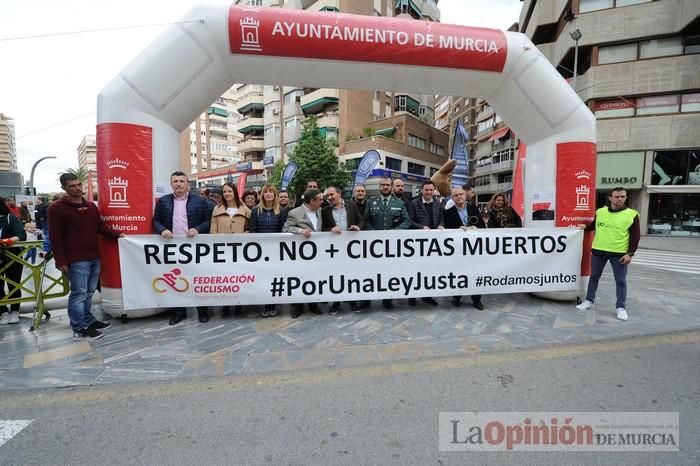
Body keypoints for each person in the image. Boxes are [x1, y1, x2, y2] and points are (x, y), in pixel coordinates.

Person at [48, 174, 121, 339]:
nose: (77, 188)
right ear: (64, 189)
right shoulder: (57, 208)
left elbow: (100, 227)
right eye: (72, 186)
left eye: (79, 184)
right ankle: (79, 327)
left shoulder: (90, 206)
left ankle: (88, 319)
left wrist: (119, 235)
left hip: (94, 256)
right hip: (75, 260)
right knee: (79, 294)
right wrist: (60, 260)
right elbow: (55, 236)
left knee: (88, 293)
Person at [153, 171, 213, 325]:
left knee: (198, 280)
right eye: (175, 181)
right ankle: (179, 312)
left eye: (181, 181)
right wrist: (162, 230)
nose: (178, 184)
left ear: (188, 184)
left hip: (194, 248)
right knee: (175, 280)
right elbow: (156, 220)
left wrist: (197, 229)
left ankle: (202, 311)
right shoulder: (163, 201)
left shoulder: (200, 201)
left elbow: (208, 221)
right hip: (172, 247)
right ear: (171, 183)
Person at [576, 187, 640, 321]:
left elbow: (635, 236)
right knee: (594, 277)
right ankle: (589, 300)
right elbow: (594, 226)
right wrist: (585, 227)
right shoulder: (601, 212)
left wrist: (630, 254)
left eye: (623, 196)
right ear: (610, 198)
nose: (620, 199)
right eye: (617, 197)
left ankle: (621, 307)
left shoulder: (632, 214)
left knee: (621, 281)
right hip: (599, 251)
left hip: (619, 254)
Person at [364, 176, 411, 309]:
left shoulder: (399, 203)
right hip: (374, 245)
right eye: (383, 185)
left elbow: (407, 221)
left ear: (391, 187)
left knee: (389, 272)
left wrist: (395, 231)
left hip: (392, 245)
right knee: (372, 273)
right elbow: (365, 220)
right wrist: (374, 234)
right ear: (379, 187)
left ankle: (387, 299)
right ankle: (367, 299)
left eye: (387, 185)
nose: (385, 187)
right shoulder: (371, 202)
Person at [283, 188, 329, 318]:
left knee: (314, 278)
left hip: (317, 254)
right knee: (299, 278)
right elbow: (285, 228)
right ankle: (298, 306)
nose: (322, 201)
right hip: (300, 254)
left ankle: (313, 304)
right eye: (320, 199)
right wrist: (300, 231)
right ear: (312, 201)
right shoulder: (295, 213)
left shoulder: (321, 211)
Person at [321, 185, 364, 314]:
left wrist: (358, 227)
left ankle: (352, 301)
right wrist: (330, 229)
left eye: (332, 195)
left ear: (339, 194)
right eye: (328, 196)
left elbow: (361, 219)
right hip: (335, 249)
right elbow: (323, 228)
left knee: (351, 275)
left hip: (352, 248)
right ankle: (336, 303)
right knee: (336, 275)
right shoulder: (325, 210)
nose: (330, 198)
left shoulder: (352, 205)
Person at [210, 182, 250, 317]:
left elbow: (250, 228)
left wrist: (243, 236)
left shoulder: (245, 209)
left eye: (229, 191)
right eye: (225, 191)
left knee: (239, 277)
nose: (227, 194)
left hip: (240, 250)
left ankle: (239, 305)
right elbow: (213, 228)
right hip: (222, 250)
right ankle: (225, 306)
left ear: (235, 193)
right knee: (225, 278)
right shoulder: (217, 208)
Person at [444, 185, 486, 310]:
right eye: (456, 195)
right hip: (457, 248)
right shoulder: (448, 212)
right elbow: (447, 229)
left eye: (461, 194)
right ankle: (456, 297)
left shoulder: (474, 209)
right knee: (457, 273)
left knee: (475, 272)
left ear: (465, 195)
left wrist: (473, 228)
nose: (459, 196)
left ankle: (477, 299)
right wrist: (457, 230)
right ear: (452, 198)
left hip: (474, 248)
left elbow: (482, 226)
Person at [250, 184, 288, 317]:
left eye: (271, 192)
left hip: (276, 251)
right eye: (266, 192)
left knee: (274, 277)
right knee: (264, 278)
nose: (268, 194)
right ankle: (266, 304)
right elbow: (253, 230)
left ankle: (273, 305)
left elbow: (283, 230)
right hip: (261, 251)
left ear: (274, 195)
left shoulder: (281, 211)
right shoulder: (255, 211)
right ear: (262, 195)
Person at [407, 180, 444, 307]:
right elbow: (410, 222)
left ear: (434, 191)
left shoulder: (438, 204)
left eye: (431, 190)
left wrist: (441, 225)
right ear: (422, 190)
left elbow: (442, 219)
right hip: (417, 243)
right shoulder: (413, 204)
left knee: (429, 270)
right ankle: (411, 297)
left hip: (433, 244)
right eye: (426, 190)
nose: (428, 192)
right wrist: (421, 227)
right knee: (414, 270)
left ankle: (426, 295)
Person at [0, 198, 27, 325]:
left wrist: (9, 240)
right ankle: (3, 311)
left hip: (12, 257)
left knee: (14, 284)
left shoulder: (10, 218)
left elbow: (21, 235)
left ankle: (15, 310)